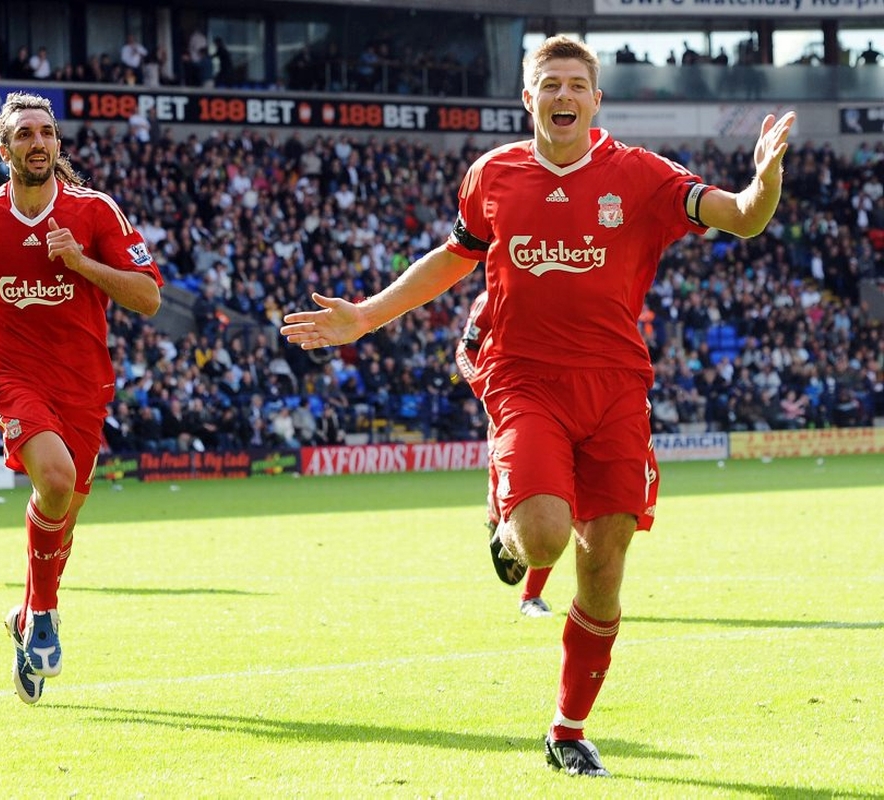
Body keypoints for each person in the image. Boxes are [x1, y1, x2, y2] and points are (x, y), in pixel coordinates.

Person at [281, 36, 795, 777]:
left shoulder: (642, 175)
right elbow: (453, 258)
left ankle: (568, 729)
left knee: (604, 565)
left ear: (596, 100)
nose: (563, 95)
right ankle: (507, 520)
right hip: (525, 380)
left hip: (617, 388)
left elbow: (743, 216)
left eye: (576, 85)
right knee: (546, 538)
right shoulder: (492, 175)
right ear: (528, 98)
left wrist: (764, 180)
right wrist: (366, 315)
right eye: (550, 83)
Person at [0, 92, 162, 705]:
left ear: (57, 145)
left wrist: (80, 262)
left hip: (83, 384)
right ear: (5, 149)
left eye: (47, 132)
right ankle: (46, 614)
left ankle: (25, 617)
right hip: (10, 374)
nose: (38, 142)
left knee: (63, 516)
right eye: (25, 133)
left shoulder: (94, 211)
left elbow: (148, 297)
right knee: (54, 479)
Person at [456, 290, 553, 619]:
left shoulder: (565, 288)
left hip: (564, 407)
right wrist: (486, 389)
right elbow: (466, 351)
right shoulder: (492, 300)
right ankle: (500, 522)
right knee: (514, 502)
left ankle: (532, 596)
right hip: (513, 412)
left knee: (565, 501)